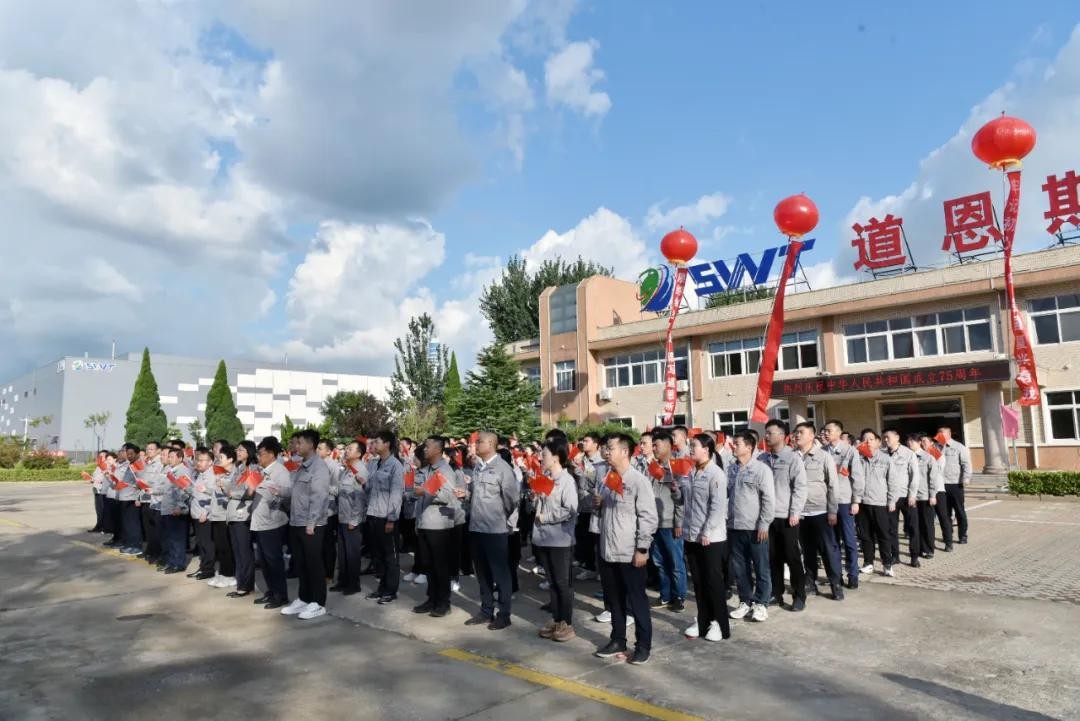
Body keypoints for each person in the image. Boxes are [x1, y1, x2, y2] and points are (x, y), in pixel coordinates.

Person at [592, 433, 658, 665]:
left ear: (625, 452)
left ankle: (643, 646)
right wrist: (599, 504)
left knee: (637, 601)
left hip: (629, 552)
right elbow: (607, 512)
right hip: (608, 550)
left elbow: (648, 517)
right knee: (614, 600)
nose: (606, 452)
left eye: (610, 448)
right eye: (606, 448)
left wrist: (642, 548)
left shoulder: (638, 481)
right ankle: (618, 639)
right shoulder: (608, 478)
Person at [465, 431, 520, 630]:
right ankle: (486, 610)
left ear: (490, 444)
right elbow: (475, 495)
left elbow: (512, 500)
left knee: (500, 574)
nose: (476, 445)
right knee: (482, 573)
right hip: (476, 527)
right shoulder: (478, 467)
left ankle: (504, 614)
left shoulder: (503, 469)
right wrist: (466, 495)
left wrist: (498, 516)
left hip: (495, 530)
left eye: (479, 442)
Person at [682, 432, 730, 642]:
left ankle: (720, 623)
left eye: (694, 446)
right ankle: (704, 620)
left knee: (713, 582)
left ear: (706, 449)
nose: (690, 449)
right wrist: (676, 491)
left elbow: (717, 506)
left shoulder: (715, 474)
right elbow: (686, 502)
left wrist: (708, 531)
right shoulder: (691, 471)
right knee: (699, 582)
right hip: (692, 535)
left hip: (711, 537)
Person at [280, 429, 331, 620]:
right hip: (296, 521)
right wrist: (277, 490)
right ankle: (304, 598)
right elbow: (294, 491)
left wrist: (312, 522)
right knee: (301, 563)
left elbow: (319, 496)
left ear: (310, 444)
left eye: (299, 443)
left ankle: (318, 602)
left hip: (312, 524)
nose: (296, 446)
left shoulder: (319, 467)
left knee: (314, 564)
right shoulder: (301, 465)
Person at [532, 437, 579, 642]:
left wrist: (546, 517)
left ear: (556, 457)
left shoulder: (567, 481)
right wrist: (534, 499)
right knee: (552, 582)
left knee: (562, 582)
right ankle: (557, 618)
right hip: (543, 538)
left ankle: (567, 623)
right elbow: (540, 506)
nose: (540, 458)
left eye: (544, 455)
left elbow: (570, 510)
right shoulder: (546, 477)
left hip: (560, 539)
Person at [758, 420, 808, 612]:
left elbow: (800, 487)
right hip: (766, 517)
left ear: (782, 435)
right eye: (766, 432)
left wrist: (795, 512)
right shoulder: (762, 458)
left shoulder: (792, 458)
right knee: (772, 557)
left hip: (786, 516)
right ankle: (776, 592)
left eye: (770, 433)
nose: (766, 436)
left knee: (792, 557)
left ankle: (799, 595)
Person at [793, 422, 844, 601]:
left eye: (801, 432)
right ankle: (810, 582)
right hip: (800, 513)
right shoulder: (792, 456)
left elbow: (833, 485)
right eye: (796, 432)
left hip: (820, 511)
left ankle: (835, 583)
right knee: (807, 550)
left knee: (828, 550)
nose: (797, 435)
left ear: (811, 435)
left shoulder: (823, 456)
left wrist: (832, 511)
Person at [727, 431, 774, 623]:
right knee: (740, 568)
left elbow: (768, 499)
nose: (733, 446)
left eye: (737, 443)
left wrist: (764, 523)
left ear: (748, 447)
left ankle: (761, 603)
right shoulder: (731, 469)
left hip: (755, 527)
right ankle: (745, 600)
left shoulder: (761, 470)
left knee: (761, 567)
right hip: (734, 526)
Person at [413, 436, 461, 619]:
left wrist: (425, 490)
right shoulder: (427, 469)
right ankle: (432, 598)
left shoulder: (445, 470)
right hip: (425, 522)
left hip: (439, 524)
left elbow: (448, 496)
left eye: (428, 446)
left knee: (440, 565)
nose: (425, 449)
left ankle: (443, 602)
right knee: (428, 564)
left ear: (438, 449)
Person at [647, 429, 687, 612]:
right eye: (653, 445)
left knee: (675, 562)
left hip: (671, 524)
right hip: (655, 523)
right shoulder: (652, 468)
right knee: (659, 562)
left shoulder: (678, 467)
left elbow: (681, 498)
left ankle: (679, 596)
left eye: (656, 445)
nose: (654, 448)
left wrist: (679, 522)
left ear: (668, 445)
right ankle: (666, 595)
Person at [365, 430, 405, 605]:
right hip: (373, 514)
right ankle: (381, 588)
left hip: (386, 517)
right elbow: (370, 488)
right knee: (378, 555)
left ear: (387, 444)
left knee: (390, 556)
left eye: (377, 442)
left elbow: (396, 493)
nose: (374, 445)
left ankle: (390, 590)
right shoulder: (374, 464)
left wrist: (391, 519)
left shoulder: (395, 465)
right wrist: (363, 483)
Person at [251, 436, 291, 610]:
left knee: (274, 561)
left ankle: (280, 595)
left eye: (261, 454)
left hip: (272, 522)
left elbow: (287, 495)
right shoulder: (262, 471)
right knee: (264, 561)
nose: (258, 457)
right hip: (260, 522)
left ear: (271, 454)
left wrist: (277, 494)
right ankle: (271, 591)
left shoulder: (280, 472)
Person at [823, 420, 863, 589]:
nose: (825, 433)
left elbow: (857, 477)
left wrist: (856, 500)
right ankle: (836, 575)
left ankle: (853, 575)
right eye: (824, 431)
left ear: (839, 432)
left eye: (829, 431)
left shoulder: (850, 451)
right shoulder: (822, 451)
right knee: (832, 542)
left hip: (845, 501)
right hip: (827, 503)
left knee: (849, 541)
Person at [855, 430, 896, 577]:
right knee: (865, 535)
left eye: (871, 439)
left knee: (883, 534)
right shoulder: (857, 458)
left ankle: (887, 564)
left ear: (878, 442)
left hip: (880, 502)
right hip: (862, 502)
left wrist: (891, 500)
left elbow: (892, 481)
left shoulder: (886, 459)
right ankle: (868, 563)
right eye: (864, 439)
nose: (868, 442)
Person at [332, 440, 368, 596]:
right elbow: (339, 490)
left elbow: (360, 498)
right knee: (342, 553)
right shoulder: (347, 468)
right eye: (346, 448)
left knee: (352, 553)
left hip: (352, 519)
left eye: (350, 449)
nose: (346, 451)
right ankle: (343, 581)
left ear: (359, 453)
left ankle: (353, 584)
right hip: (342, 516)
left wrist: (355, 519)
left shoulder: (360, 470)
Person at [225, 441, 258, 598]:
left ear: (249, 452)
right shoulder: (238, 468)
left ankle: (246, 585)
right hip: (233, 513)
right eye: (237, 449)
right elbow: (232, 488)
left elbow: (251, 492)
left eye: (241, 450)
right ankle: (242, 583)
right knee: (237, 551)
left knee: (244, 551)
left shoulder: (253, 468)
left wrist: (233, 494)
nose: (237, 452)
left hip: (243, 514)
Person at [884, 429, 921, 568]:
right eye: (884, 438)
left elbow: (914, 476)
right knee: (891, 528)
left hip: (906, 496)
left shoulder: (908, 454)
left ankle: (914, 556)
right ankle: (895, 556)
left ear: (897, 437)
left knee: (912, 528)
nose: (885, 440)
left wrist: (912, 494)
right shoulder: (882, 454)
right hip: (890, 498)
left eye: (888, 437)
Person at [574, 433, 605, 581]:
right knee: (584, 539)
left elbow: (592, 482)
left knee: (596, 541)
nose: (583, 443)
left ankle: (598, 569)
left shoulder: (600, 462)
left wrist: (581, 469)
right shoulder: (583, 459)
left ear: (596, 444)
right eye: (583, 440)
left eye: (586, 441)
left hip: (594, 505)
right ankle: (589, 566)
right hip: (582, 504)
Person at [909, 434, 945, 559]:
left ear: (919, 442)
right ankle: (919, 548)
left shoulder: (928, 457)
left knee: (927, 524)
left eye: (912, 441)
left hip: (925, 496)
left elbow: (933, 478)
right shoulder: (908, 457)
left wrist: (932, 495)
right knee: (915, 525)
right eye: (908, 441)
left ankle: (929, 549)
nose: (909, 444)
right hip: (912, 496)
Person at [207, 446, 236, 588]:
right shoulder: (220, 473)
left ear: (230, 459)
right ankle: (223, 572)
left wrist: (224, 486)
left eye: (221, 458)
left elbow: (233, 494)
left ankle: (229, 575)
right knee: (220, 547)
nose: (218, 460)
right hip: (216, 514)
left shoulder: (234, 474)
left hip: (225, 515)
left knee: (226, 547)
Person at [159, 447, 192, 574]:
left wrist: (180, 506)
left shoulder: (183, 471)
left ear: (180, 458)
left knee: (177, 539)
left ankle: (179, 564)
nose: (169, 459)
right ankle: (172, 562)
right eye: (169, 456)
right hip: (168, 508)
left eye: (172, 456)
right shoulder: (170, 470)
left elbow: (185, 490)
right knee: (170, 538)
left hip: (177, 509)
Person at [937, 426, 971, 544]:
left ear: (949, 434)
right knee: (945, 513)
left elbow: (966, 464)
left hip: (955, 483)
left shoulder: (959, 447)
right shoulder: (936, 447)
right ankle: (948, 535)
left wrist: (966, 478)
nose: (939, 435)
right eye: (938, 433)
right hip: (941, 485)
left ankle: (962, 535)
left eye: (942, 433)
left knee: (959, 511)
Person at [920, 434, 953, 552]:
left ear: (931, 443)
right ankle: (929, 545)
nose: (922, 443)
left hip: (938, 490)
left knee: (943, 517)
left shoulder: (937, 454)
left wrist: (930, 454)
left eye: (924, 441)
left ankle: (948, 542)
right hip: (925, 492)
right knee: (928, 521)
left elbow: (937, 470)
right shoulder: (919, 455)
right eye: (921, 441)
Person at [187, 448, 217, 580]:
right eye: (198, 460)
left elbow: (214, 496)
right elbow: (197, 493)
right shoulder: (201, 474)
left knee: (206, 544)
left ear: (210, 462)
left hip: (204, 515)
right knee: (201, 543)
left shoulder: (211, 476)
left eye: (202, 460)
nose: (198, 463)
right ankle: (203, 567)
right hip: (197, 513)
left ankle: (208, 569)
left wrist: (206, 512)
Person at [317, 439, 341, 586]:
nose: (317, 450)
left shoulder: (333, 466)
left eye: (320, 448)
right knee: (318, 544)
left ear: (329, 451)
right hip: (315, 510)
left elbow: (338, 490)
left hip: (329, 511)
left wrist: (323, 486)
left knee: (328, 544)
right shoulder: (315, 464)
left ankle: (329, 574)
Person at [116, 443, 145, 556]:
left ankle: (136, 546)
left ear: (137, 454)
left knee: (133, 524)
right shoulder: (130, 464)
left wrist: (139, 498)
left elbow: (142, 483)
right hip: (125, 498)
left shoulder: (138, 465)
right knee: (127, 524)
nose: (129, 456)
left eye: (131, 454)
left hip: (132, 499)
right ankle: (129, 544)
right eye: (128, 454)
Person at [140, 441, 165, 566]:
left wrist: (146, 484)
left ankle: (157, 553)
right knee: (148, 528)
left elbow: (158, 482)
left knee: (156, 530)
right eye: (147, 449)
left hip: (155, 499)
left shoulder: (160, 463)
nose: (148, 451)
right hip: (146, 498)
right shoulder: (148, 463)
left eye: (151, 449)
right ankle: (150, 550)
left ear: (158, 450)